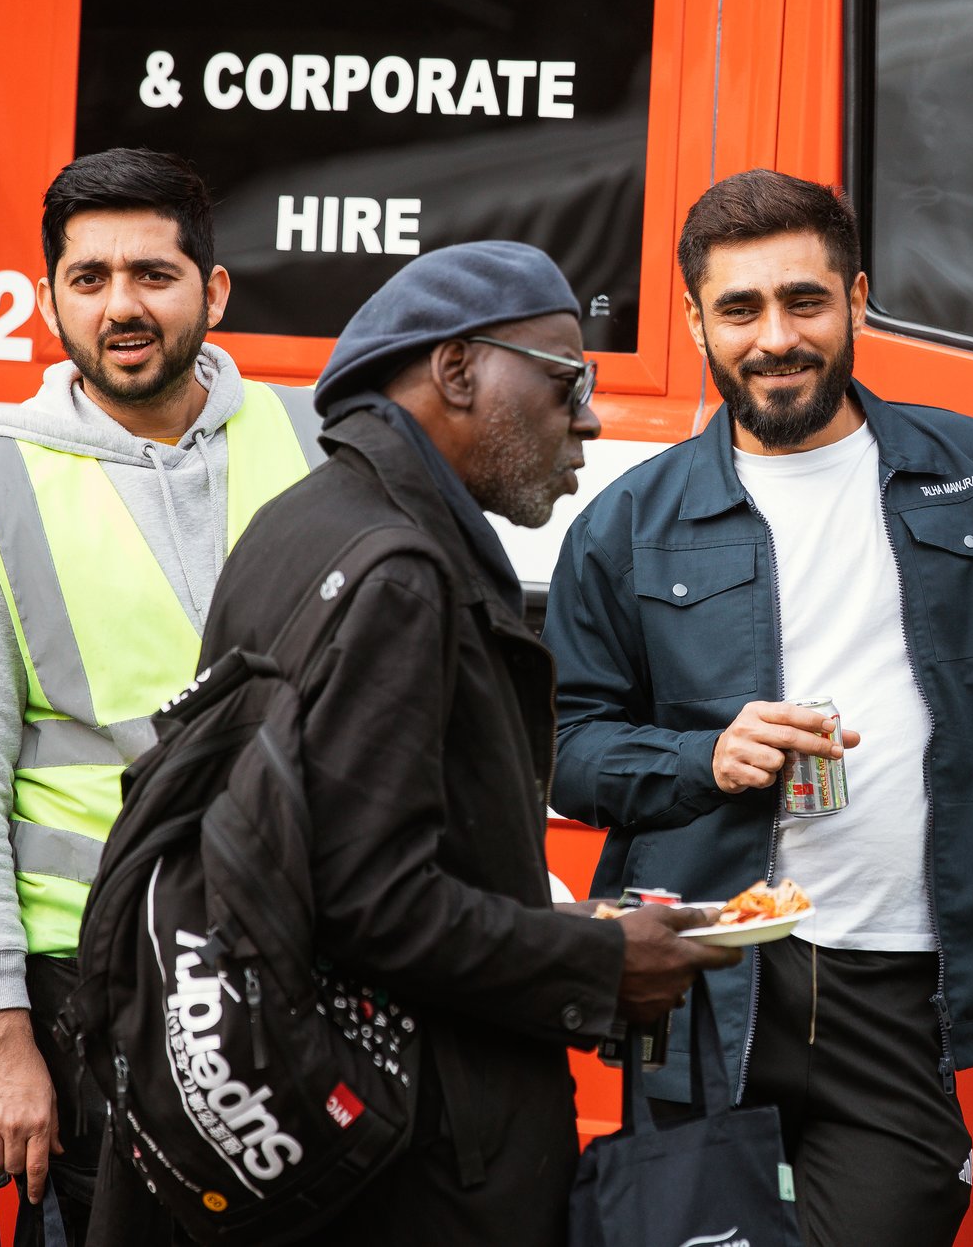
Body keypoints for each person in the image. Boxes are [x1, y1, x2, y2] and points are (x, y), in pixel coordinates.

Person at [86, 240, 740, 1245]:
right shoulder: (400, 572)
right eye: (568, 379)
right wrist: (596, 963)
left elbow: (343, 851)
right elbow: (373, 904)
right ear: (455, 370)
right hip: (408, 1166)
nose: (590, 417)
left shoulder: (299, 522)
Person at [543, 168, 973, 1247]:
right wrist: (708, 756)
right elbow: (568, 751)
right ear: (698, 322)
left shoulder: (966, 466)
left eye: (803, 301)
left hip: (899, 980)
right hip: (708, 980)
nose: (775, 338)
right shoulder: (626, 522)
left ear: (855, 298)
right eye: (740, 309)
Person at [0, 149, 318, 1239]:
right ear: (48, 296)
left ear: (213, 292)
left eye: (152, 273)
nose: (119, 306)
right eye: (86, 279)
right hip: (91, 997)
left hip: (300, 963)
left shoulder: (312, 443)